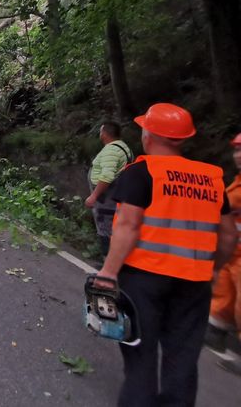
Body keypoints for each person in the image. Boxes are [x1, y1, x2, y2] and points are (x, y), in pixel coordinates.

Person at [96, 103, 238, 406]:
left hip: (143, 280)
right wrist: (213, 269)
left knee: (140, 357)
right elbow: (228, 236)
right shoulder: (212, 177)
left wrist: (108, 272)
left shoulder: (141, 170)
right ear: (183, 139)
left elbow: (128, 226)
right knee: (182, 360)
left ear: (149, 135)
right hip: (195, 284)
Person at [205, 133, 241, 359]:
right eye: (236, 150)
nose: (238, 155)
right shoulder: (236, 183)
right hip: (232, 251)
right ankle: (216, 328)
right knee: (224, 290)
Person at [85, 121, 133, 255]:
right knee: (112, 226)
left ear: (104, 134)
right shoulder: (123, 147)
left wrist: (94, 196)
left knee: (105, 228)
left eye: (101, 131)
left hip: (106, 197)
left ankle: (108, 263)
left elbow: (107, 175)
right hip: (115, 194)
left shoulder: (111, 150)